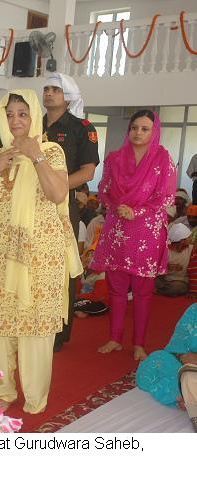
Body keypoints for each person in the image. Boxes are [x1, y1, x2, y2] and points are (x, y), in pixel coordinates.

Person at [0, 90, 81, 414]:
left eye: (23, 113)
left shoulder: (52, 151)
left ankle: (35, 399)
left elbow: (58, 194)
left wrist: (35, 155)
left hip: (38, 259)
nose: (16, 120)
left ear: (35, 117)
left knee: (34, 330)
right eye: (10, 113)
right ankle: (0, 392)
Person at [90, 110, 176, 361]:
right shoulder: (115, 158)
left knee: (142, 291)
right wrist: (114, 206)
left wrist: (137, 211)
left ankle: (138, 344)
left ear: (154, 131)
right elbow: (104, 190)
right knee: (116, 289)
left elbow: (166, 197)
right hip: (118, 229)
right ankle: (115, 339)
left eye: (145, 128)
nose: (138, 132)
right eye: (135, 127)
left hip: (147, 231)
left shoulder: (162, 159)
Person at [43, 73, 100, 352]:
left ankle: (57, 333)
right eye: (47, 89)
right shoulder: (34, 123)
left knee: (62, 268)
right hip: (31, 203)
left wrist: (55, 186)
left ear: (68, 96)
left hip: (63, 205)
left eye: (56, 89)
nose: (49, 93)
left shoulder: (82, 127)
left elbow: (88, 171)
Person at [136, 304, 197, 432]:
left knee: (189, 379)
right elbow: (175, 348)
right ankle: (186, 396)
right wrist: (183, 355)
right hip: (189, 370)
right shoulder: (194, 311)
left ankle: (188, 399)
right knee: (157, 359)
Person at [155, 223, 193, 297]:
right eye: (189, 237)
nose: (191, 239)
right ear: (182, 241)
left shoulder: (191, 249)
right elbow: (157, 269)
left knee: (176, 288)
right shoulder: (166, 250)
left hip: (181, 281)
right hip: (165, 279)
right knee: (152, 281)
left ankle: (158, 291)